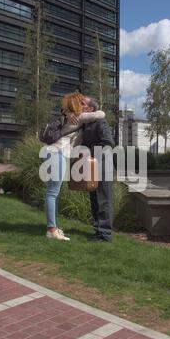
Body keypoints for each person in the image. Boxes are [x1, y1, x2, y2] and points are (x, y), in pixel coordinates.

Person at [45, 92, 105, 241]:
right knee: (53, 193)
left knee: (55, 193)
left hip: (56, 154)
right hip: (57, 154)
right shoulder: (79, 117)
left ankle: (54, 228)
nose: (83, 105)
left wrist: (67, 111)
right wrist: (70, 111)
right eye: (82, 103)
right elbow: (101, 114)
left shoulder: (71, 116)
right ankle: (51, 230)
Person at [81, 97, 115, 243]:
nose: (80, 106)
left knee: (103, 200)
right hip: (93, 167)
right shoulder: (86, 123)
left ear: (90, 109)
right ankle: (99, 231)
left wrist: (86, 151)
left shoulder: (100, 122)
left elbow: (108, 143)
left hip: (103, 166)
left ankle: (105, 235)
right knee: (95, 200)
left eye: (83, 104)